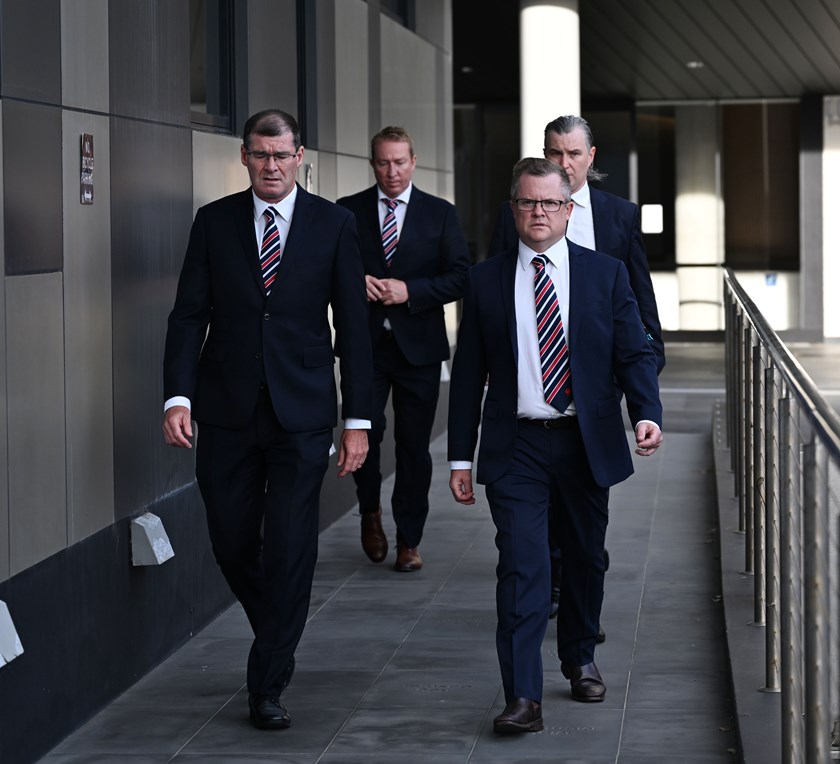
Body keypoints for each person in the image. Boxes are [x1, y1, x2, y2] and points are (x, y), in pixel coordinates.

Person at [162, 109, 372, 731]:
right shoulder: (214, 222)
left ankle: (268, 680)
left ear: (300, 155)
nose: (272, 166)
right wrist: (178, 398)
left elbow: (353, 331)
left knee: (288, 545)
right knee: (230, 541)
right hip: (224, 411)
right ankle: (279, 627)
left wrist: (356, 417)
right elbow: (187, 316)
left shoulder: (333, 225)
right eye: (260, 155)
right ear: (245, 157)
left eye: (282, 155)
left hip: (302, 414)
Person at [448, 158, 662, 734]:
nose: (538, 213)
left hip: (583, 442)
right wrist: (460, 457)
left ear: (569, 209)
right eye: (527, 202)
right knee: (522, 566)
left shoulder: (605, 275)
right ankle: (523, 696)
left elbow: (633, 351)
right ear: (512, 209)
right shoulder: (486, 279)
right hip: (515, 443)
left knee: (586, 557)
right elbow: (468, 373)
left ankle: (579, 653)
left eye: (550, 203)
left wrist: (646, 412)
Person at [489, 114, 666, 630]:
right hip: (536, 377)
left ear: (591, 157)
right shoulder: (522, 211)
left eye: (572, 154)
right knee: (540, 503)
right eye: (554, 153)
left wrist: (647, 370)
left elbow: (638, 292)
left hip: (598, 378)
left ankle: (579, 589)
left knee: (586, 502)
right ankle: (551, 582)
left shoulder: (618, 215)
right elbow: (502, 285)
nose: (563, 164)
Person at [337, 126, 470, 572]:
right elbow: (324, 270)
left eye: (399, 162)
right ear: (371, 163)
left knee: (414, 448)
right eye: (382, 162)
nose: (391, 172)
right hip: (365, 349)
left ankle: (409, 539)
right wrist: (355, 282)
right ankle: (370, 512)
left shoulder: (440, 214)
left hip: (420, 350)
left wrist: (409, 290)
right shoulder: (346, 212)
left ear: (413, 161)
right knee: (366, 439)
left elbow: (460, 276)